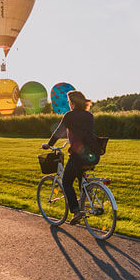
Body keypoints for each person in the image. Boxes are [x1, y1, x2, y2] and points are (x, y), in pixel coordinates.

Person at [41, 90, 100, 225]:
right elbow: (84, 132)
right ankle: (86, 199)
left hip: (79, 156)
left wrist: (48, 145)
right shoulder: (89, 115)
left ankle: (76, 210)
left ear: (72, 103)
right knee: (80, 176)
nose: (69, 104)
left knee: (66, 182)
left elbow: (58, 132)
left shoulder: (70, 116)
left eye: (69, 102)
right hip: (94, 155)